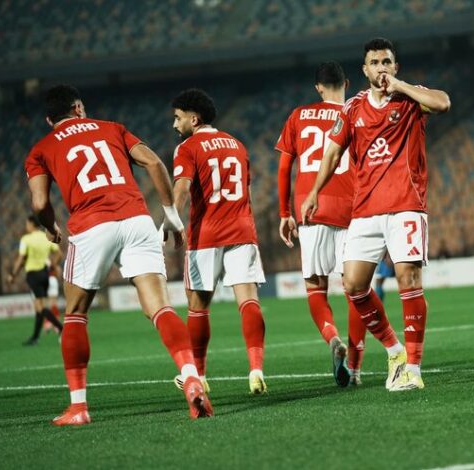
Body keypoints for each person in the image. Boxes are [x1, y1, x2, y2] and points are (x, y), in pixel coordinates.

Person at [24, 84, 212, 426]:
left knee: (75, 314)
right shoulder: (113, 128)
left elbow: (39, 203)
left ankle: (78, 408)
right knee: (160, 308)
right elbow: (154, 162)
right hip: (137, 220)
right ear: (79, 107)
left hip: (90, 226)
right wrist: (171, 215)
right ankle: (190, 376)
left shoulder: (40, 149)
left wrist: (50, 228)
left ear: (50, 119)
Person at [301, 37, 451, 391]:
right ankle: (394, 351)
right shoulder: (352, 109)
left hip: (406, 205)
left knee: (407, 279)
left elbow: (443, 103)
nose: (381, 68)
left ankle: (413, 368)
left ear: (395, 66)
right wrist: (314, 192)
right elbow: (332, 154)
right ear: (364, 70)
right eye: (375, 62)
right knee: (353, 285)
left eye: (386, 62)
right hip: (365, 210)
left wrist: (401, 86)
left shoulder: (410, 98)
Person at [170, 88, 268, 395]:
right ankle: (256, 370)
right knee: (248, 300)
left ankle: (199, 375)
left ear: (194, 119)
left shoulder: (187, 147)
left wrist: (172, 220)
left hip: (206, 233)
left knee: (198, 306)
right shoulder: (237, 145)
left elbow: (182, 188)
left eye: (178, 118)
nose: (175, 124)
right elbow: (246, 192)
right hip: (242, 228)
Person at [275, 62, 366, 387]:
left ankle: (332, 338)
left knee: (316, 288)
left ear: (318, 87)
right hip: (351, 208)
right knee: (357, 291)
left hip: (311, 208)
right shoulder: (357, 113)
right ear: (347, 83)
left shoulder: (299, 116)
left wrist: (284, 213)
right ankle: (355, 368)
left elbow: (284, 167)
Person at [6, 215, 64, 345]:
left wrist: (13, 274)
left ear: (32, 224)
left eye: (27, 224)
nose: (26, 226)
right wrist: (53, 266)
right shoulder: (45, 237)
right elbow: (59, 254)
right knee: (39, 307)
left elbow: (21, 258)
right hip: (45, 274)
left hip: (33, 275)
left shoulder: (26, 239)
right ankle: (35, 338)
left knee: (40, 307)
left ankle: (61, 328)